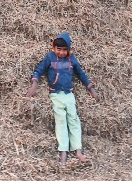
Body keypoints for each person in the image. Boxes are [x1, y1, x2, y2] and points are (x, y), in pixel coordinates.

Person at [26, 33, 99, 166]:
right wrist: (34, 85)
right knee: (61, 123)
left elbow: (81, 74)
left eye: (64, 50)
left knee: (74, 120)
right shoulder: (50, 58)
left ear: (69, 50)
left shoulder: (71, 60)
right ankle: (63, 153)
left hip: (69, 95)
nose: (61, 52)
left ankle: (78, 151)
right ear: (53, 48)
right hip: (56, 95)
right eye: (58, 49)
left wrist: (91, 89)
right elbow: (38, 70)